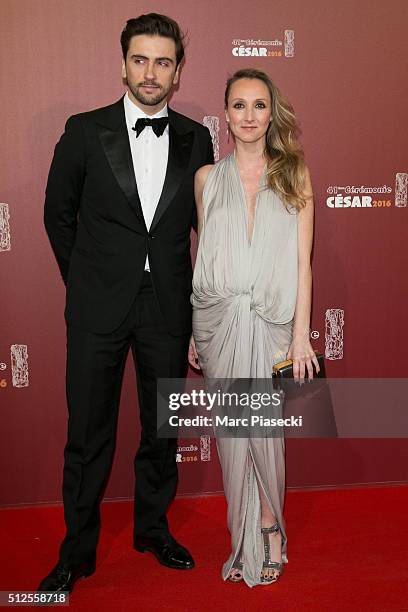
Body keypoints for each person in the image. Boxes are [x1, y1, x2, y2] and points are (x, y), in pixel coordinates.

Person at [39, 13, 214, 594]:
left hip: (167, 305)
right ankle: (77, 552)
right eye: (140, 60)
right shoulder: (85, 131)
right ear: (122, 65)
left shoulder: (197, 137)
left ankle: (153, 529)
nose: (151, 72)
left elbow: (202, 228)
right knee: (87, 433)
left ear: (178, 72)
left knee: (162, 428)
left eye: (163, 62)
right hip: (97, 307)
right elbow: (56, 216)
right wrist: (86, 280)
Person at [189, 68, 319, 587]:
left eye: (259, 105)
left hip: (269, 323)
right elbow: (204, 255)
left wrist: (302, 334)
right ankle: (243, 531)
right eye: (239, 105)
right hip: (218, 323)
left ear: (271, 112)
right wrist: (193, 331)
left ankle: (268, 524)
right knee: (232, 434)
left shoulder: (295, 174)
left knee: (262, 431)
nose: (249, 116)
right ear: (225, 113)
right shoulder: (205, 178)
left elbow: (302, 264)